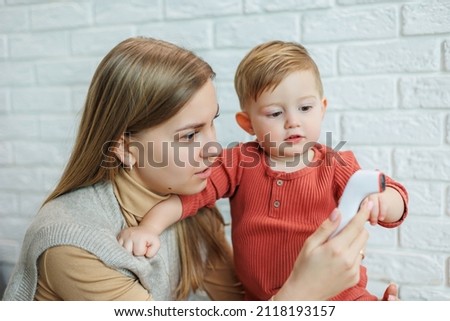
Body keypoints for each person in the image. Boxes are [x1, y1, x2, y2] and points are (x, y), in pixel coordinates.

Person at [3, 37, 395, 301]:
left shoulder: (193, 202)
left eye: (212, 123)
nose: (213, 149)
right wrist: (301, 296)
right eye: (190, 135)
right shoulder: (74, 245)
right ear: (124, 147)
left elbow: (235, 302)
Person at [117, 40, 408, 301]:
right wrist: (150, 227)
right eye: (275, 113)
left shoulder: (336, 165)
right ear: (247, 123)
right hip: (259, 300)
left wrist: (385, 203)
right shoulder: (239, 162)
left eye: (305, 108)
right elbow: (190, 199)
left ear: (322, 108)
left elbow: (393, 193)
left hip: (339, 296)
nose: (293, 122)